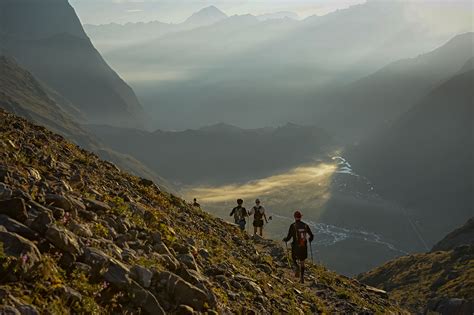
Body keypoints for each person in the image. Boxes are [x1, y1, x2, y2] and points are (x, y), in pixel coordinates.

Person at [283, 210, 314, 283]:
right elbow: (311, 236)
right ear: (300, 217)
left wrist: (285, 239)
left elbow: (289, 237)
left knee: (294, 258)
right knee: (302, 262)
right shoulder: (305, 225)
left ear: (294, 217)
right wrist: (310, 239)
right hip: (303, 246)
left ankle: (297, 267)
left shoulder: (293, 225)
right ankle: (302, 278)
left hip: (296, 247)